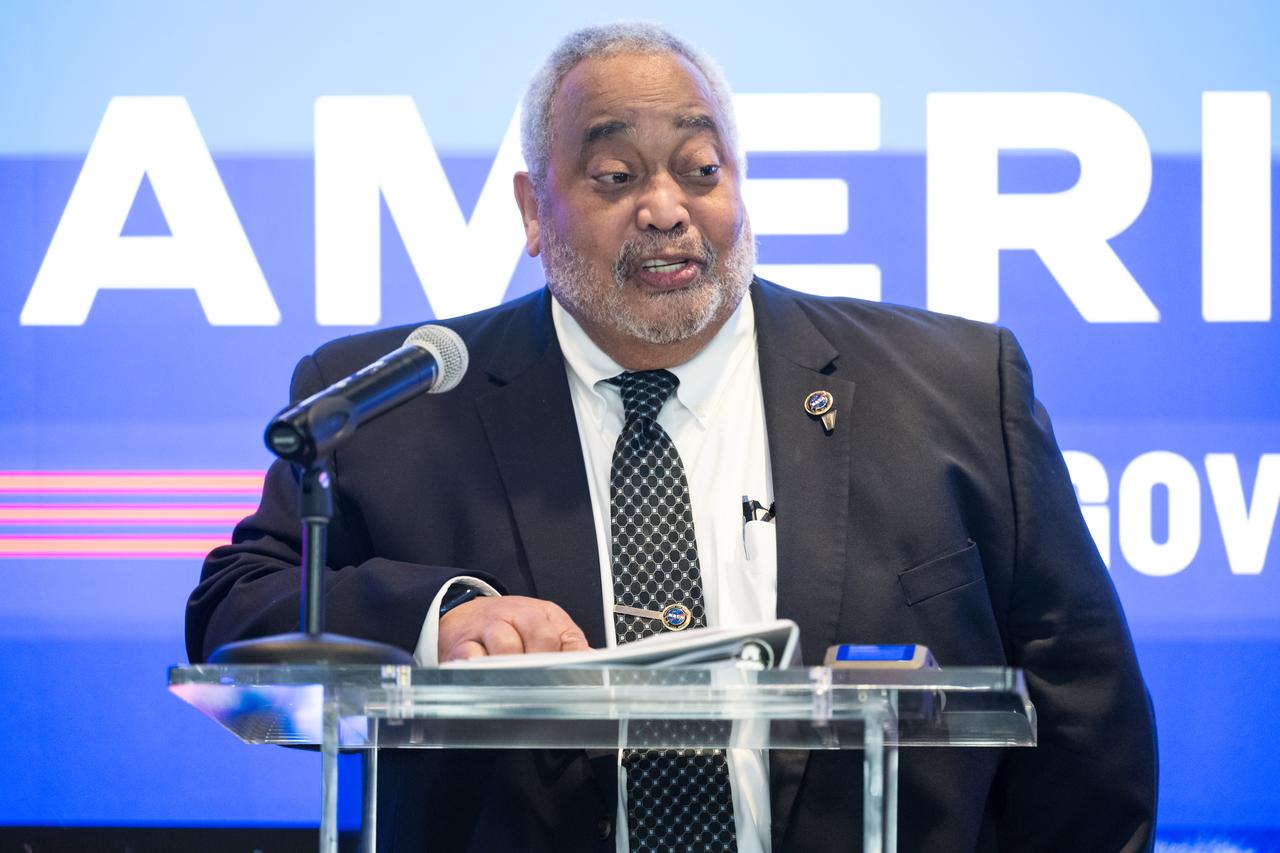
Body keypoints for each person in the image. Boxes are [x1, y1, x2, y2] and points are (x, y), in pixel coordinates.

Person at [187, 21, 1157, 853]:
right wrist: (432, 621)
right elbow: (238, 613)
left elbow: (1084, 722)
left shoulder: (951, 390)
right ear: (534, 210)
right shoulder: (398, 404)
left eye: (699, 168)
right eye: (614, 175)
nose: (665, 209)